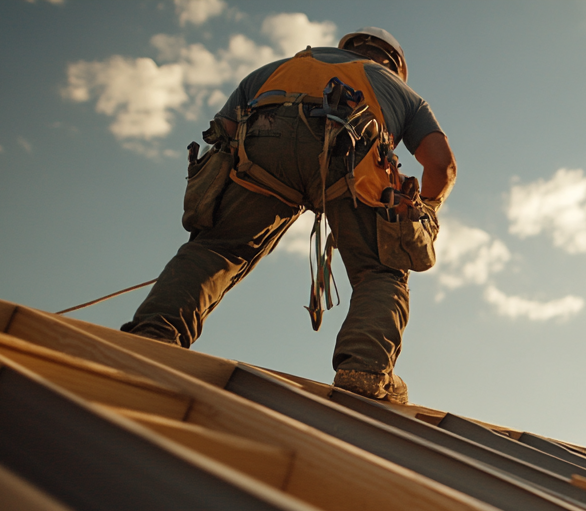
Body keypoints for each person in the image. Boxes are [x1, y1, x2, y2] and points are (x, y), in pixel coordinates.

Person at [122, 27, 456, 404]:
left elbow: (226, 133)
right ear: (393, 63)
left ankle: (155, 334)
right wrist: (421, 211)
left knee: (217, 250)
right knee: (380, 271)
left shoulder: (272, 71)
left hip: (263, 150)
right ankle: (364, 369)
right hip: (352, 157)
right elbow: (442, 166)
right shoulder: (399, 90)